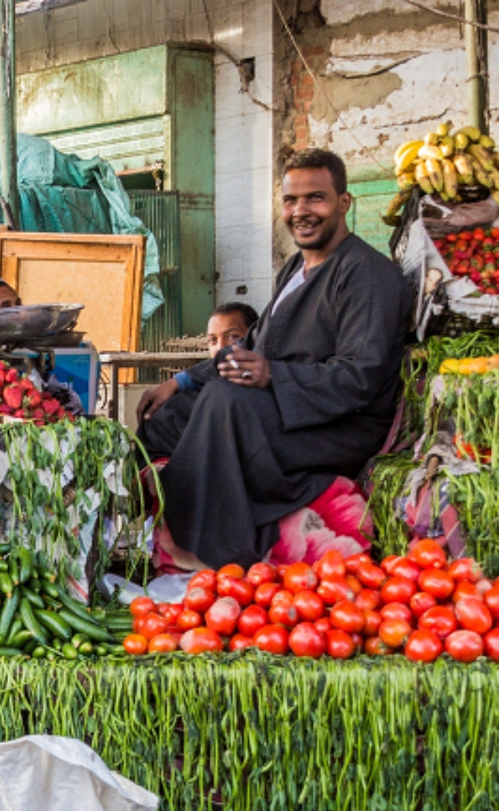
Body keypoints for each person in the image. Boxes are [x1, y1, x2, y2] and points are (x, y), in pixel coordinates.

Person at [143, 149, 413, 569]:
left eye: (315, 198)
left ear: (344, 203)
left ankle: (215, 550)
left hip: (336, 424)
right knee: (167, 416)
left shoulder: (366, 274)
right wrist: (180, 383)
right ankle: (159, 522)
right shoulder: (294, 268)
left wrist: (273, 375)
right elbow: (253, 342)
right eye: (291, 201)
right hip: (278, 407)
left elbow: (362, 377)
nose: (301, 211)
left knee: (225, 402)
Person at [133, 301, 259, 456]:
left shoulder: (263, 380)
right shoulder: (200, 385)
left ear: (254, 337)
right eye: (213, 340)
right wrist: (177, 382)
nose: (220, 347)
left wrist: (179, 381)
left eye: (232, 336)